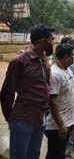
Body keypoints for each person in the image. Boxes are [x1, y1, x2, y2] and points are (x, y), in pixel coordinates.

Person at [0, 25, 54, 159]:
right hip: (23, 118)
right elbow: (7, 92)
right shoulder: (19, 62)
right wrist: (10, 118)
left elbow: (46, 85)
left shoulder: (43, 60)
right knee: (20, 155)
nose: (53, 41)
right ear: (42, 41)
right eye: (51, 39)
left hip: (41, 117)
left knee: (34, 153)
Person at [45, 44, 74, 159]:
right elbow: (52, 101)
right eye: (72, 55)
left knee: (59, 153)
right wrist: (61, 125)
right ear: (65, 57)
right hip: (58, 126)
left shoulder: (67, 69)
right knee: (55, 154)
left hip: (68, 120)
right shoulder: (55, 74)